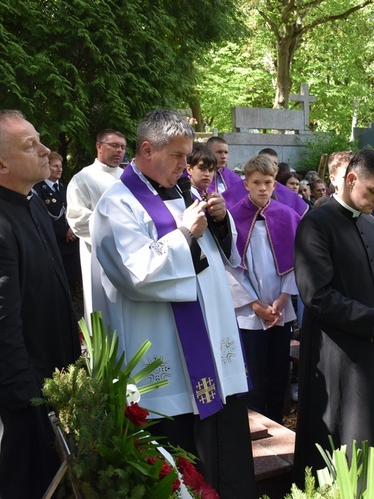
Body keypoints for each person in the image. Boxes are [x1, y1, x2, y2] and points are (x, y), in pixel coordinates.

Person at [90, 110, 256, 496]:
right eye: (179, 156)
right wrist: (184, 233)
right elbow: (137, 274)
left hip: (212, 345)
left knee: (223, 450)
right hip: (166, 353)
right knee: (180, 455)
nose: (187, 166)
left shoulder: (185, 190)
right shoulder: (117, 204)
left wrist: (218, 221)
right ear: (147, 150)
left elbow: (219, 259)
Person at [292, 148, 374, 486]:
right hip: (333, 355)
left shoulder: (369, 223)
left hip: (368, 349)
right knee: (340, 436)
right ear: (351, 179)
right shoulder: (316, 223)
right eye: (373, 191)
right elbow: (316, 295)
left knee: (370, 431)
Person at [0, 110, 81, 497]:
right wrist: (34, 407)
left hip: (51, 389)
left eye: (39, 139)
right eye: (30, 145)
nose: (45, 150)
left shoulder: (33, 204)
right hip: (17, 413)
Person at [227, 155, 300, 424]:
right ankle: (255, 430)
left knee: (278, 372)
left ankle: (277, 426)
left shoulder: (287, 216)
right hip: (248, 313)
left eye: (268, 182)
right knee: (253, 375)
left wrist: (283, 298)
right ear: (246, 183)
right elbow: (229, 266)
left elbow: (294, 261)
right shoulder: (231, 218)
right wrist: (255, 305)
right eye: (256, 182)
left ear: (274, 184)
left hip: (281, 311)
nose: (262, 188)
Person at [66, 128, 126, 322]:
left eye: (123, 147)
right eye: (114, 146)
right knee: (102, 306)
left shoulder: (128, 178)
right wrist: (119, 229)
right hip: (98, 252)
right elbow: (78, 219)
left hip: (131, 252)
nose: (119, 151)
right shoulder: (82, 179)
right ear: (99, 146)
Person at [34, 151, 82, 315]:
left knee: (74, 280)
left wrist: (73, 229)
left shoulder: (65, 187)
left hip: (72, 243)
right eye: (55, 166)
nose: (59, 169)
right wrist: (64, 231)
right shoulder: (38, 189)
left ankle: (75, 309)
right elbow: (42, 217)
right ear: (47, 166)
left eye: (60, 166)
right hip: (56, 243)